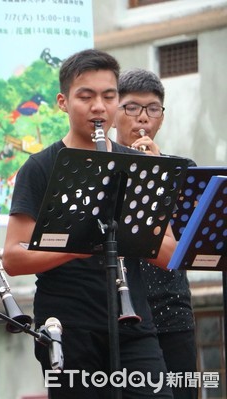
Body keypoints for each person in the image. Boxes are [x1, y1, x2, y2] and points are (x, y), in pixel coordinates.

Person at [2, 49, 175, 398]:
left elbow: (170, 254)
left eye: (109, 96)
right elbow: (13, 258)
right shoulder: (39, 167)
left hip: (134, 324)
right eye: (86, 96)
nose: (99, 107)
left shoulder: (138, 165)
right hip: (68, 328)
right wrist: (80, 245)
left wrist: (127, 237)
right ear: (63, 102)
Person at [114, 68, 197, 399]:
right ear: (114, 113)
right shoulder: (103, 166)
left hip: (173, 310)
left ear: (162, 117)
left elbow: (188, 240)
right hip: (123, 314)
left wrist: (159, 170)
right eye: (132, 107)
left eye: (152, 109)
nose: (142, 118)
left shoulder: (183, 169)